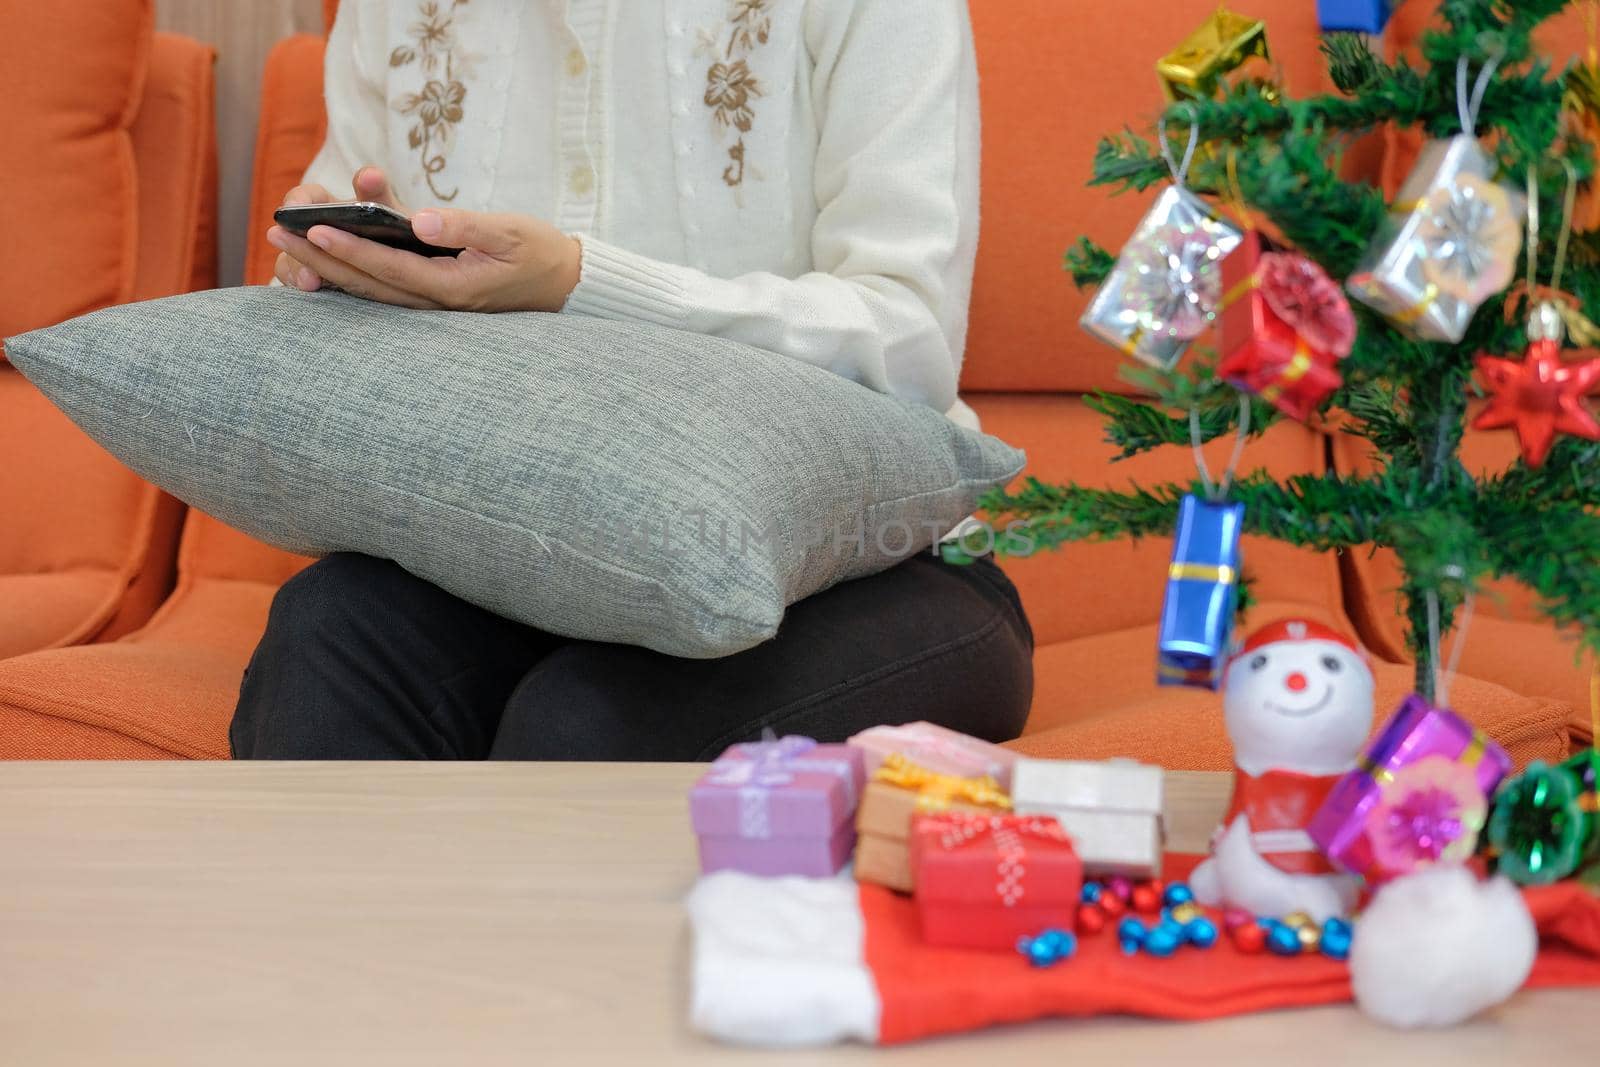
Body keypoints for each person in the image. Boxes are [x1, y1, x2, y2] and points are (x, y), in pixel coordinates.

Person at [230, 0, 1033, 761]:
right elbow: (341, 240)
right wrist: (343, 278)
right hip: (507, 558)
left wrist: (581, 282)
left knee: (586, 726)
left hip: (874, 569)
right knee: (321, 641)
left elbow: (909, 340)